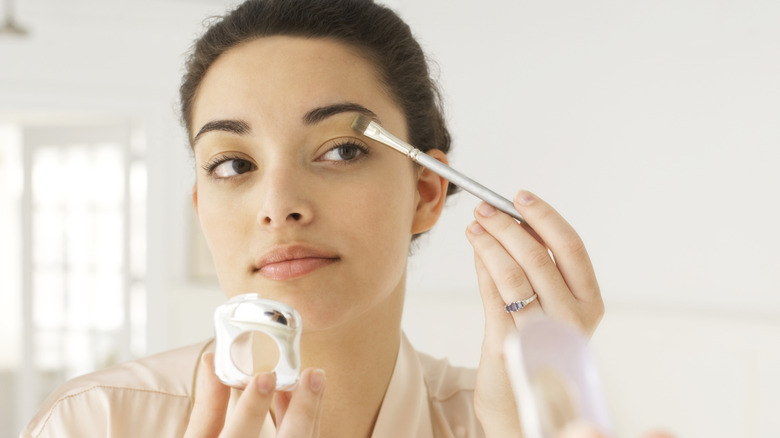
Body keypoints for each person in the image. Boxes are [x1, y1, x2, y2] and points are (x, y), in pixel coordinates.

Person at [21, 1, 603, 437]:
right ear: (203, 211)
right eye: (232, 164)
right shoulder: (96, 421)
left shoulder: (514, 423)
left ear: (425, 190)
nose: (278, 205)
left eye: (342, 150)